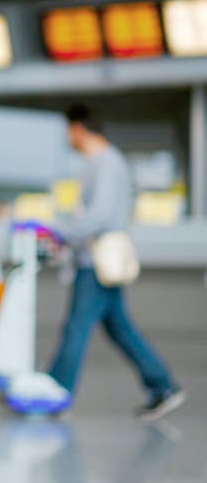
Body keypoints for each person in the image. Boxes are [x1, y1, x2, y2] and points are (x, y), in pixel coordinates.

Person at [48, 104, 185, 420]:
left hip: (96, 261)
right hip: (99, 259)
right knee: (119, 327)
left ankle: (55, 394)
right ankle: (162, 384)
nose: (68, 138)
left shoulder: (105, 163)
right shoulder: (101, 163)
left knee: (76, 328)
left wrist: (62, 232)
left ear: (78, 129)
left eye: (69, 131)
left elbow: (100, 215)